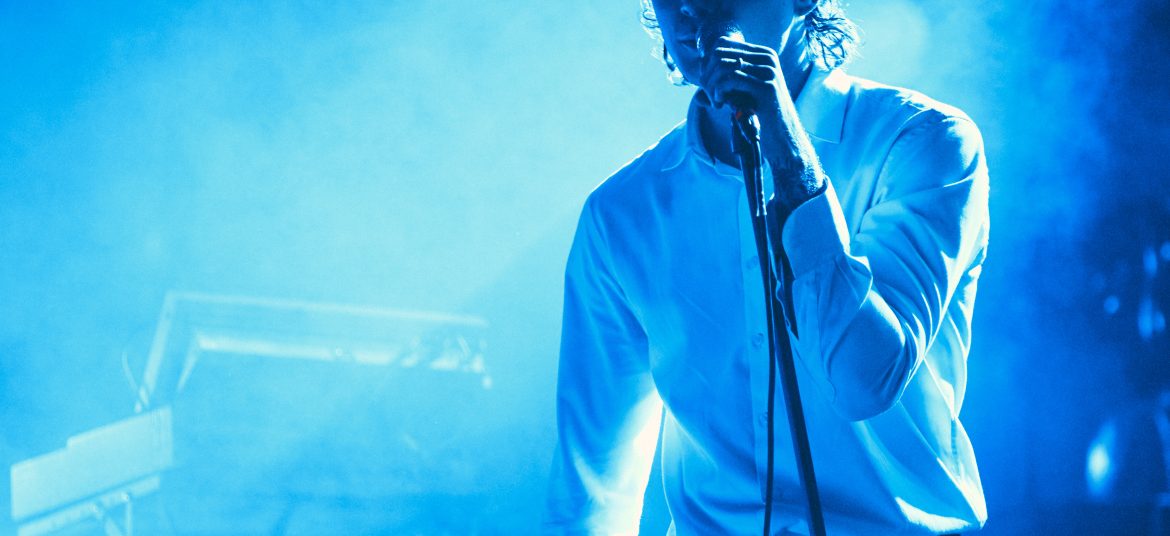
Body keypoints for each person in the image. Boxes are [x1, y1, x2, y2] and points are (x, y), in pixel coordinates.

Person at [543, 0, 989, 534]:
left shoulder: (921, 142)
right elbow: (593, 485)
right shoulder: (621, 211)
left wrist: (792, 161)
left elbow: (864, 381)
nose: (685, 6)